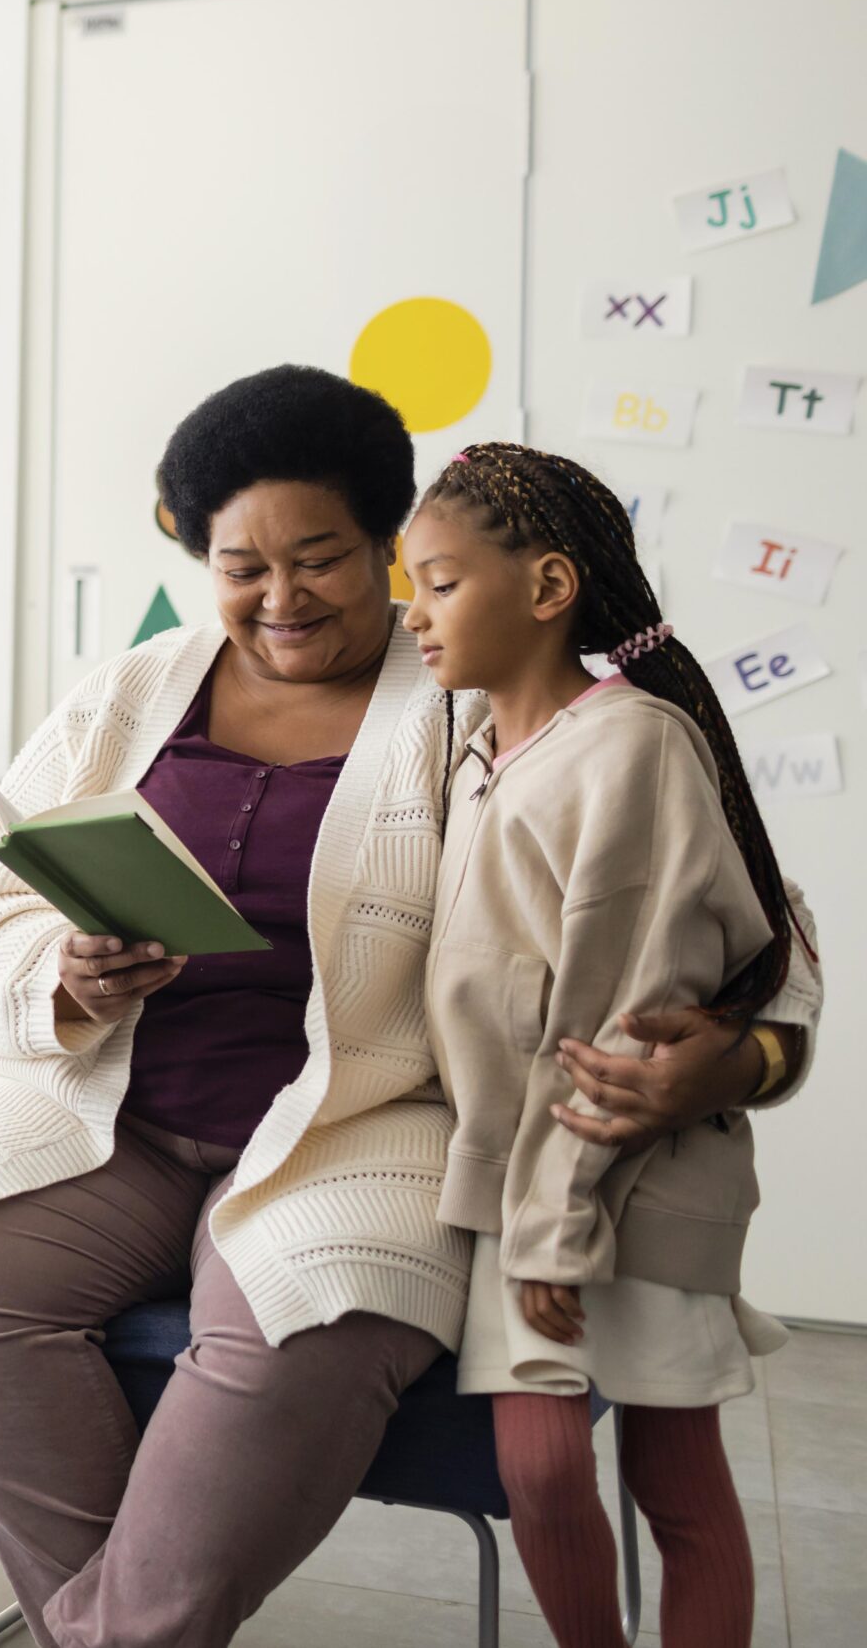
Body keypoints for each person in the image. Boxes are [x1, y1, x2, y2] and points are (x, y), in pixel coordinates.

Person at [0, 365, 822, 1648]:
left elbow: (754, 911)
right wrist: (64, 970)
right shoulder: (136, 688)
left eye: (318, 557)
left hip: (366, 1123)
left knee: (312, 1312)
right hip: (114, 1112)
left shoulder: (487, 689)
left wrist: (746, 1055)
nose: (278, 599)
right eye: (238, 566)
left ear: (390, 545)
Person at [404, 443, 794, 1648]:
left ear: (547, 586)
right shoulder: (472, 753)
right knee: (537, 1474)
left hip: (626, 1192)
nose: (412, 614)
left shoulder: (628, 748)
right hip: (525, 1192)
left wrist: (556, 1238)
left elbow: (610, 1034)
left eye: (441, 582)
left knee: (675, 1488)